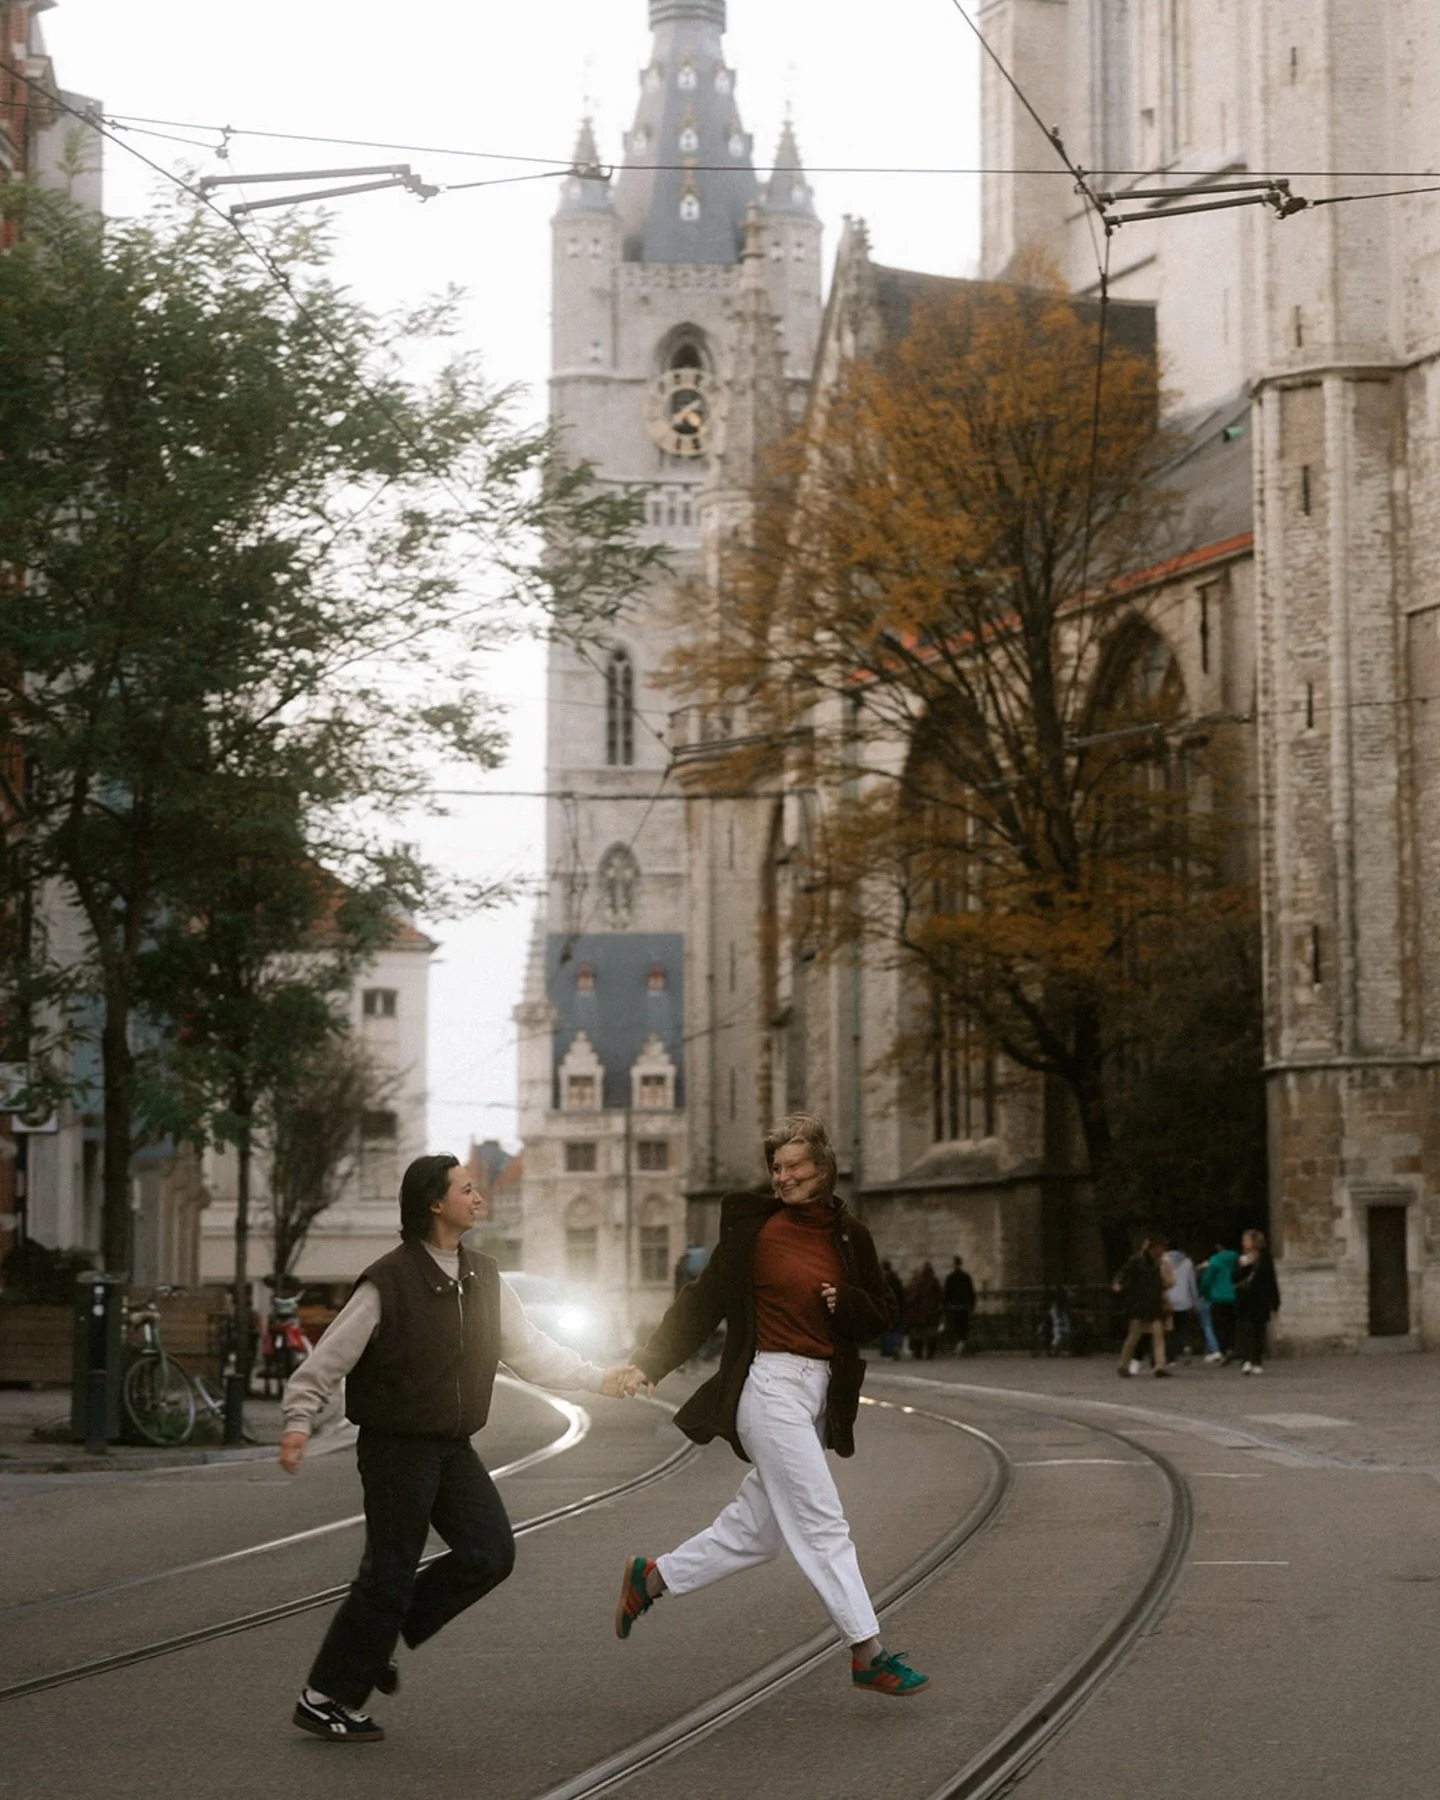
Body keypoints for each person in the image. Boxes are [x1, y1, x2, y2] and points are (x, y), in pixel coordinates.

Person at [278, 1154, 638, 1742]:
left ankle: (376, 1639)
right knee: (387, 1575)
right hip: (396, 1447)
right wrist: (298, 1418)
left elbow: (530, 1350)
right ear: (434, 1204)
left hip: (450, 1446)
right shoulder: (388, 1281)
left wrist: (597, 1377)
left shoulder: (484, 1276)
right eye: (467, 1190)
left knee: (490, 1553)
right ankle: (323, 1697)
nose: (478, 1197)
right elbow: (330, 1357)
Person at [612, 1113, 930, 1698]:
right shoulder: (756, 1231)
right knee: (824, 1522)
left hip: (817, 1395)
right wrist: (650, 1361)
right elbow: (703, 1300)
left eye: (794, 1167)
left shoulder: (850, 1236)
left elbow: (882, 1313)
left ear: (823, 1169)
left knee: (757, 1535)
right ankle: (868, 1652)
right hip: (770, 1387)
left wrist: (847, 1301)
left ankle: (652, 1579)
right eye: (776, 1168)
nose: (782, 1178)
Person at [1113, 1237, 1172, 1378]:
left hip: (1154, 1304)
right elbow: (1123, 1272)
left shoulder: (1159, 1263)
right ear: (1152, 1248)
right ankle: (1123, 1364)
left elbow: (1162, 1282)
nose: (1161, 1251)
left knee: (1158, 1335)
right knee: (1134, 1336)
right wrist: (1118, 1283)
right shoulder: (1136, 1260)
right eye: (1159, 1248)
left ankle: (1159, 1365)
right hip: (1138, 1304)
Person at [1233, 1228, 1281, 1373]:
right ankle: (1246, 1359)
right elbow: (1234, 1278)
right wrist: (1243, 1266)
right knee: (1245, 1329)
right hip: (1244, 1299)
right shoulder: (1241, 1258)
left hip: (1260, 1298)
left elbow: (1270, 1280)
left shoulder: (1265, 1258)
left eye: (1246, 1240)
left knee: (1259, 1330)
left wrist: (1275, 1300)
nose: (1244, 1243)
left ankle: (1256, 1360)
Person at [1200, 1239, 1239, 1362]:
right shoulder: (1236, 1258)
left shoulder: (1215, 1260)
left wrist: (1202, 1292)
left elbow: (1207, 1280)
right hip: (1233, 1294)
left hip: (1217, 1296)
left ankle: (1221, 1350)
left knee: (1218, 1324)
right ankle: (1232, 1347)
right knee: (1230, 1324)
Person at [1164, 1241, 1198, 1360]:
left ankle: (1170, 1355)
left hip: (1168, 1298)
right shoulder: (1187, 1262)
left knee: (1168, 1329)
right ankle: (1186, 1345)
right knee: (1182, 1326)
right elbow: (1192, 1283)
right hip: (1184, 1300)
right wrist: (1195, 1300)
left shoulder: (1162, 1260)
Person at [905, 1260, 943, 1362]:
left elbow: (914, 1297)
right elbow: (939, 1297)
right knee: (931, 1333)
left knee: (919, 1333)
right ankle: (930, 1353)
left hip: (920, 1313)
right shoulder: (934, 1281)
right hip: (932, 1312)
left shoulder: (919, 1282)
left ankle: (919, 1353)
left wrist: (909, 1304)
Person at [943, 1255, 977, 1357]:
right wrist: (972, 1305)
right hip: (964, 1307)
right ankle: (961, 1346)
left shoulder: (950, 1278)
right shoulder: (966, 1277)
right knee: (964, 1328)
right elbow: (971, 1293)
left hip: (954, 1307)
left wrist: (945, 1306)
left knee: (955, 1328)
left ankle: (958, 1347)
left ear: (954, 1264)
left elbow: (946, 1293)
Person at [878, 1259, 906, 1360]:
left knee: (887, 1331)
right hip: (895, 1308)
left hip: (886, 1308)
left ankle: (888, 1351)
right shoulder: (895, 1279)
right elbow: (901, 1295)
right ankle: (894, 1349)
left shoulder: (882, 1279)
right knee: (894, 1331)